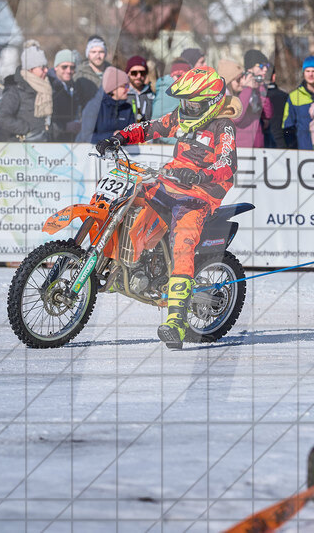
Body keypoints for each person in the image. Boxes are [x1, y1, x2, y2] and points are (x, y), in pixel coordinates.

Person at [95, 66, 238, 350]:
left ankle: (176, 321)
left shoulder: (223, 127)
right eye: (184, 102)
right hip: (169, 182)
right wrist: (119, 137)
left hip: (199, 194)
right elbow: (151, 127)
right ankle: (118, 263)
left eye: (192, 104)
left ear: (210, 102)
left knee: (183, 242)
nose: (186, 107)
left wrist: (201, 175)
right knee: (129, 200)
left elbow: (227, 164)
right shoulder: (181, 117)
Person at [0, 43, 54, 142]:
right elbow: (1, 119)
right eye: (42, 68)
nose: (46, 70)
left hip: (45, 144)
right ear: (31, 69)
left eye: (46, 67)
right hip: (22, 146)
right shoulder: (15, 90)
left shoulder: (48, 88)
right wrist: (26, 129)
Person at [220, 58, 269, 148]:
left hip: (256, 148)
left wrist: (260, 88)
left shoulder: (246, 95)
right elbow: (237, 116)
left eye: (242, 77)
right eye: (238, 79)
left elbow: (268, 114)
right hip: (240, 150)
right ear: (228, 82)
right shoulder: (225, 99)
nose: (242, 82)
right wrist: (248, 88)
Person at [80, 66, 137, 143]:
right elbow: (86, 137)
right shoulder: (93, 107)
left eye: (128, 86)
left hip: (123, 150)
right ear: (113, 88)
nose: (128, 90)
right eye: (125, 86)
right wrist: (112, 136)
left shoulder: (127, 108)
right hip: (96, 149)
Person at [283, 55, 314, 149]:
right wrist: (292, 147)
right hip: (303, 149)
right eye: (307, 71)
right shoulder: (294, 96)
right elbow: (287, 125)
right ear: (303, 73)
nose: (310, 74)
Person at [125, 55, 154, 123]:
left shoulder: (152, 94)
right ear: (128, 73)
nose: (139, 76)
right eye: (134, 73)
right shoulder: (122, 94)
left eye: (142, 73)